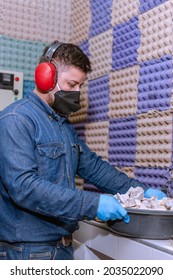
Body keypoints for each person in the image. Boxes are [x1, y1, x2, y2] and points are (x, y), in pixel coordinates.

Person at [0, 41, 166, 260]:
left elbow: (94, 168)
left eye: (80, 86)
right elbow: (24, 187)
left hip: (61, 248)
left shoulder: (63, 126)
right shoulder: (16, 120)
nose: (77, 93)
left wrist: (141, 191)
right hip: (26, 252)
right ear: (45, 77)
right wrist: (93, 204)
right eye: (71, 84)